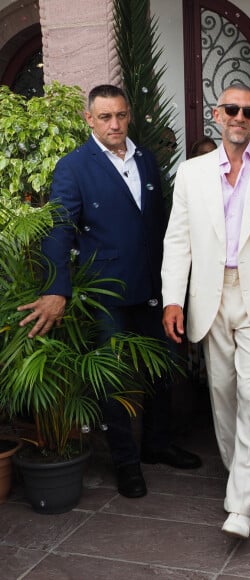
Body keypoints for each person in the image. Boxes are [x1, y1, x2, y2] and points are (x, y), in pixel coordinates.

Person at [17, 84, 201, 499]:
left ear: (129, 115)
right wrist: (57, 288)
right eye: (105, 117)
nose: (115, 124)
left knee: (162, 368)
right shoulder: (73, 166)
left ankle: (156, 444)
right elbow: (60, 228)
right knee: (114, 380)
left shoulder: (147, 160)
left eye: (120, 115)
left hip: (153, 287)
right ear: (89, 119)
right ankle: (126, 462)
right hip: (106, 293)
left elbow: (163, 227)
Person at [161, 83, 250, 540]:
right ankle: (239, 474)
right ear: (217, 114)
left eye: (248, 111)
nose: (239, 117)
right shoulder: (191, 173)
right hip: (210, 296)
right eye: (232, 109)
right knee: (222, 394)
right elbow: (178, 240)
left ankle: (242, 503)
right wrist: (173, 298)